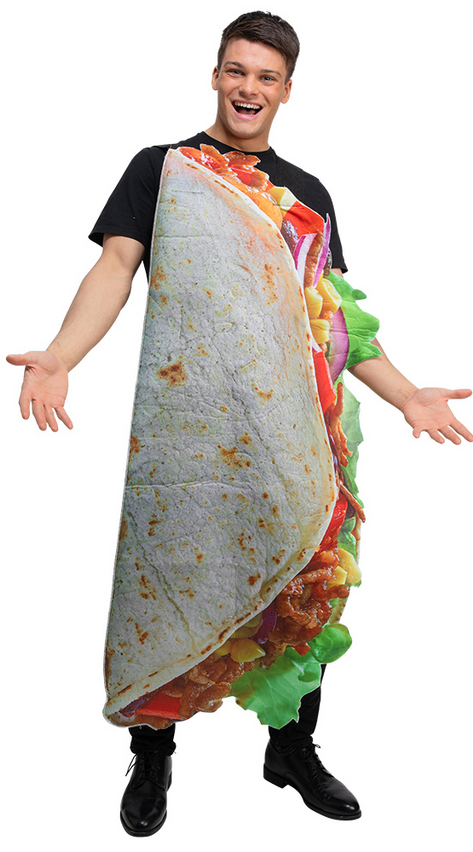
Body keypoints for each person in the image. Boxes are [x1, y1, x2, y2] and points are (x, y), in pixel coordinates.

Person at [6, 10, 472, 839]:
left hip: (290, 430)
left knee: (306, 581)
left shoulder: (306, 193)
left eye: (265, 76)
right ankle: (152, 755)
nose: (247, 87)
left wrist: (406, 396)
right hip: (185, 435)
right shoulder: (164, 168)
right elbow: (115, 267)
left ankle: (290, 749)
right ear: (215, 76)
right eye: (235, 70)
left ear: (286, 90)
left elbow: (333, 319)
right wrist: (61, 354)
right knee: (166, 579)